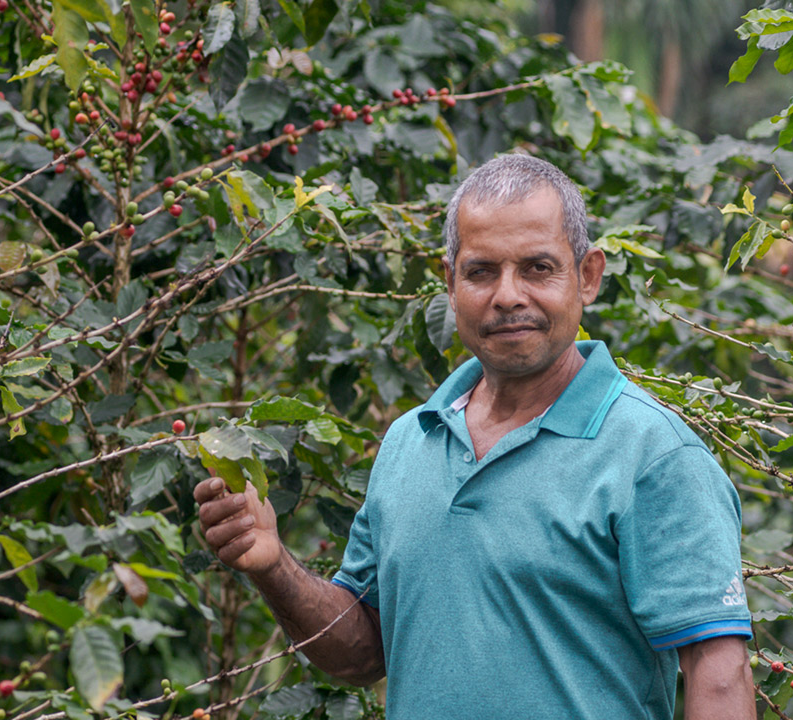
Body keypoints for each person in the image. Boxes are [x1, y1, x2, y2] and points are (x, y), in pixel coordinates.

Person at [194, 154, 756, 719]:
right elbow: (363, 652)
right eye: (482, 271)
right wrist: (272, 565)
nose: (507, 295)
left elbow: (719, 673)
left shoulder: (653, 453)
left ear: (587, 277)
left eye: (538, 268)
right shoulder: (409, 441)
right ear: (451, 282)